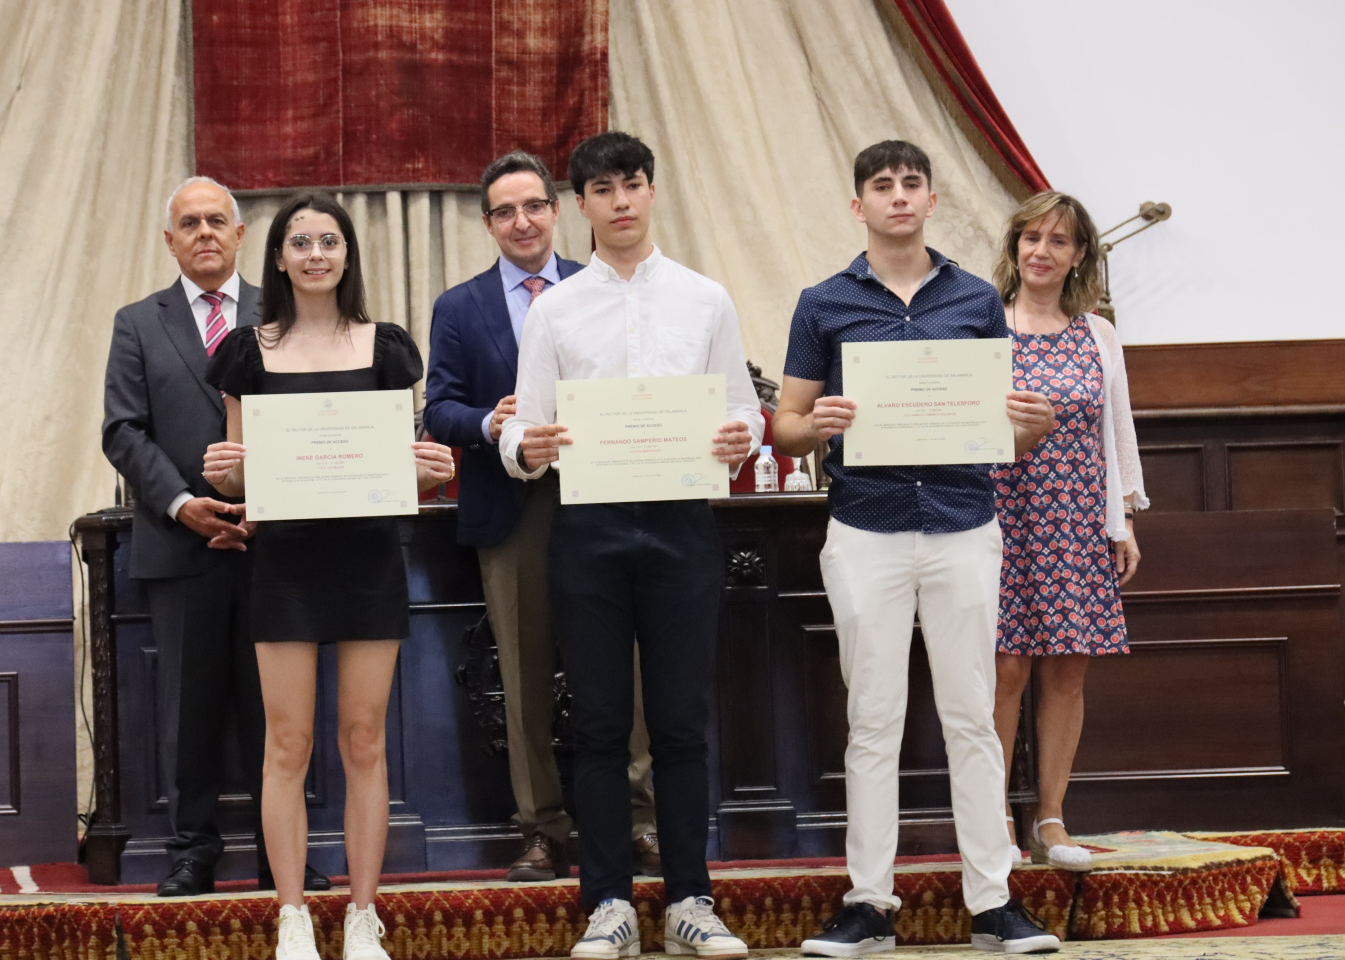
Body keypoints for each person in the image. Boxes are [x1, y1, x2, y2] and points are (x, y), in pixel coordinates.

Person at [772, 141, 1061, 956]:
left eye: (911, 184)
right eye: (881, 185)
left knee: (971, 714)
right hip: (865, 528)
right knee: (873, 719)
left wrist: (1029, 431)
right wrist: (813, 425)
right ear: (857, 204)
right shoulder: (822, 303)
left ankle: (993, 902)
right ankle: (868, 904)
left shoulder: (975, 299)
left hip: (964, 523)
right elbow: (788, 423)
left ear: (932, 201)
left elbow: (1002, 425)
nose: (897, 196)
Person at [501, 131, 753, 960]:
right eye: (601, 189)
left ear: (652, 192)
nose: (619, 201)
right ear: (580, 205)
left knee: (681, 723)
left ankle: (690, 899)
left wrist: (738, 437)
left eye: (632, 184)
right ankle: (606, 902)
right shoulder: (554, 308)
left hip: (682, 524)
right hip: (589, 529)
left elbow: (743, 411)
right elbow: (525, 426)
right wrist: (523, 449)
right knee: (601, 724)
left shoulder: (704, 298)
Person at [200, 193, 454, 960]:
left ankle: (362, 913)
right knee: (288, 742)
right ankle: (291, 915)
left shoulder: (388, 348)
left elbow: (397, 468)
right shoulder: (247, 351)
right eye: (300, 241)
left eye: (329, 241)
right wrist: (224, 472)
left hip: (368, 557)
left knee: (364, 739)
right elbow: (241, 483)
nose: (315, 253)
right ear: (277, 257)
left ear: (347, 255)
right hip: (284, 563)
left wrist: (434, 473)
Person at [423, 149, 662, 884]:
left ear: (557, 212)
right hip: (512, 507)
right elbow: (436, 407)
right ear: (489, 223)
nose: (521, 221)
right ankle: (541, 828)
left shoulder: (606, 289)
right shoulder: (459, 308)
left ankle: (640, 821)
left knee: (627, 665)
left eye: (534, 206)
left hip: (610, 495)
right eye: (504, 210)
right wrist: (489, 424)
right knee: (523, 672)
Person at [101, 175, 329, 897]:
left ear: (239, 235)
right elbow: (122, 430)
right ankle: (190, 852)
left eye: (216, 222)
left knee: (280, 712)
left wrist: (266, 503)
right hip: (182, 547)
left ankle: (282, 857)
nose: (204, 233)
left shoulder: (286, 313)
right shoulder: (138, 321)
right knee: (189, 713)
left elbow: (313, 416)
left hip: (278, 546)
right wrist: (181, 503)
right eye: (189, 223)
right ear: (170, 240)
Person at [989, 192, 1146, 871]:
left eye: (1057, 240)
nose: (1041, 251)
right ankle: (992, 818)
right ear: (1015, 247)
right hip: (998, 515)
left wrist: (1125, 521)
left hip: (1076, 516)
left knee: (1066, 672)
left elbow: (1119, 436)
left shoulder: (1098, 335)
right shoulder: (983, 327)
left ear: (1080, 255)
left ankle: (1050, 820)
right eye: (1031, 237)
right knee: (1004, 669)